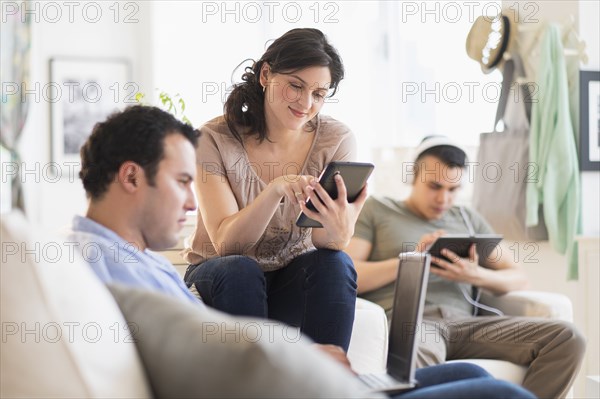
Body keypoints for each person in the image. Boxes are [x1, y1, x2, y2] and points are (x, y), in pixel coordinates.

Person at [67, 105, 536, 399]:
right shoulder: (99, 270)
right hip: (279, 386)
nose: (193, 202)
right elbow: (209, 364)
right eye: (183, 182)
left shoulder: (127, 261)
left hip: (291, 378)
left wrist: (299, 353)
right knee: (500, 395)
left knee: (471, 371)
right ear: (131, 177)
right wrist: (301, 359)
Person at [345, 135, 586, 399]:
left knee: (568, 338)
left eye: (453, 189)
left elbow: (518, 279)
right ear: (414, 176)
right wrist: (413, 259)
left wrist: (475, 275)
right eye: (434, 186)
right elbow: (352, 275)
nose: (443, 198)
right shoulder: (378, 210)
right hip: (415, 323)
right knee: (417, 359)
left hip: (467, 324)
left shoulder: (467, 219)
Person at [181, 28, 363, 351]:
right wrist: (275, 190)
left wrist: (340, 229)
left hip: (289, 277)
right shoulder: (213, 139)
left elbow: (325, 243)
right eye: (295, 86)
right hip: (221, 276)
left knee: (336, 264)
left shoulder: (336, 140)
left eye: (319, 94)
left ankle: (329, 383)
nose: (306, 103)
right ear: (266, 75)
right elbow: (227, 244)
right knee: (241, 269)